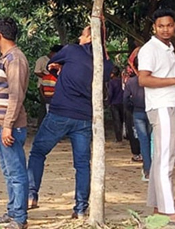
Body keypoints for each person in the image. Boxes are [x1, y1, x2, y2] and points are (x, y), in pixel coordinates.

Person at [27, 25, 111, 219]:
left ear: (89, 37)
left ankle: (31, 195)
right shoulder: (106, 63)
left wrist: (61, 69)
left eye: (82, 34)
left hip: (60, 112)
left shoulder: (71, 50)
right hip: (85, 117)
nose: (79, 38)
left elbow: (51, 64)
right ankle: (80, 208)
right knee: (82, 164)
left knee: (38, 152)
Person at [137, 8, 175, 226]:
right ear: (154, 27)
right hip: (162, 106)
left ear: (174, 26)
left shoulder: (169, 48)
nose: (165, 29)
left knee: (161, 159)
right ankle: (168, 211)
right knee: (165, 160)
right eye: (160, 26)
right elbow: (143, 79)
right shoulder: (150, 49)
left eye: (169, 25)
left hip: (172, 105)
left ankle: (158, 206)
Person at [0, 18, 29, 229]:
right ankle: (12, 212)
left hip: (9, 126)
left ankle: (19, 217)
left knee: (16, 172)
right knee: (8, 171)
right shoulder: (2, 59)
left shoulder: (15, 59)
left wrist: (8, 125)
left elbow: (16, 95)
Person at [125, 55, 151, 180]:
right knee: (153, 140)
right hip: (152, 110)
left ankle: (147, 169)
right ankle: (155, 168)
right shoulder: (153, 80)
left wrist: (132, 109)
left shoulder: (131, 82)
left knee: (143, 141)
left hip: (138, 112)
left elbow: (125, 99)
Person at [107, 67, 125, 142]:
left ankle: (118, 138)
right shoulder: (122, 81)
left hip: (114, 103)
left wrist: (109, 102)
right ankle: (126, 135)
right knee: (123, 120)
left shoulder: (111, 82)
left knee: (117, 121)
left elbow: (110, 93)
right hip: (122, 102)